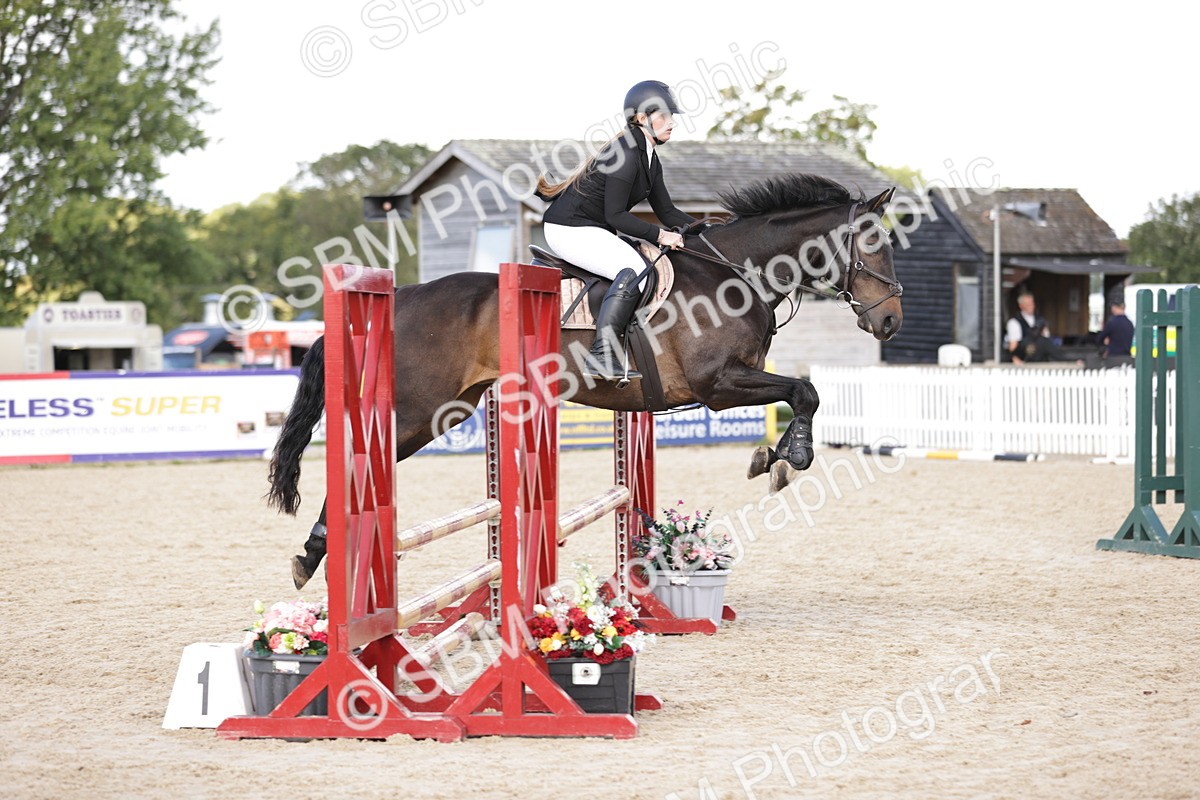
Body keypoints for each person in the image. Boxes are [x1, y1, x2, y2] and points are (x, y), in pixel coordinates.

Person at [537, 80, 696, 381]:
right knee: (635, 271)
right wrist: (661, 235)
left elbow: (667, 212)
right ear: (642, 118)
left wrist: (708, 229)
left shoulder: (649, 158)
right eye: (664, 116)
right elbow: (617, 216)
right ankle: (601, 355)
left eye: (672, 116)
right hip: (568, 229)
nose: (672, 122)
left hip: (591, 228)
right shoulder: (626, 153)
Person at [1006, 291, 1061, 364]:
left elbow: (1046, 339)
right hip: (1024, 356)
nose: (1031, 306)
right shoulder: (1014, 322)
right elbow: (1013, 345)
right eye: (1028, 304)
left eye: (1032, 304)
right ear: (1021, 306)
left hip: (1040, 357)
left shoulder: (1040, 320)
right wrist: (1015, 359)